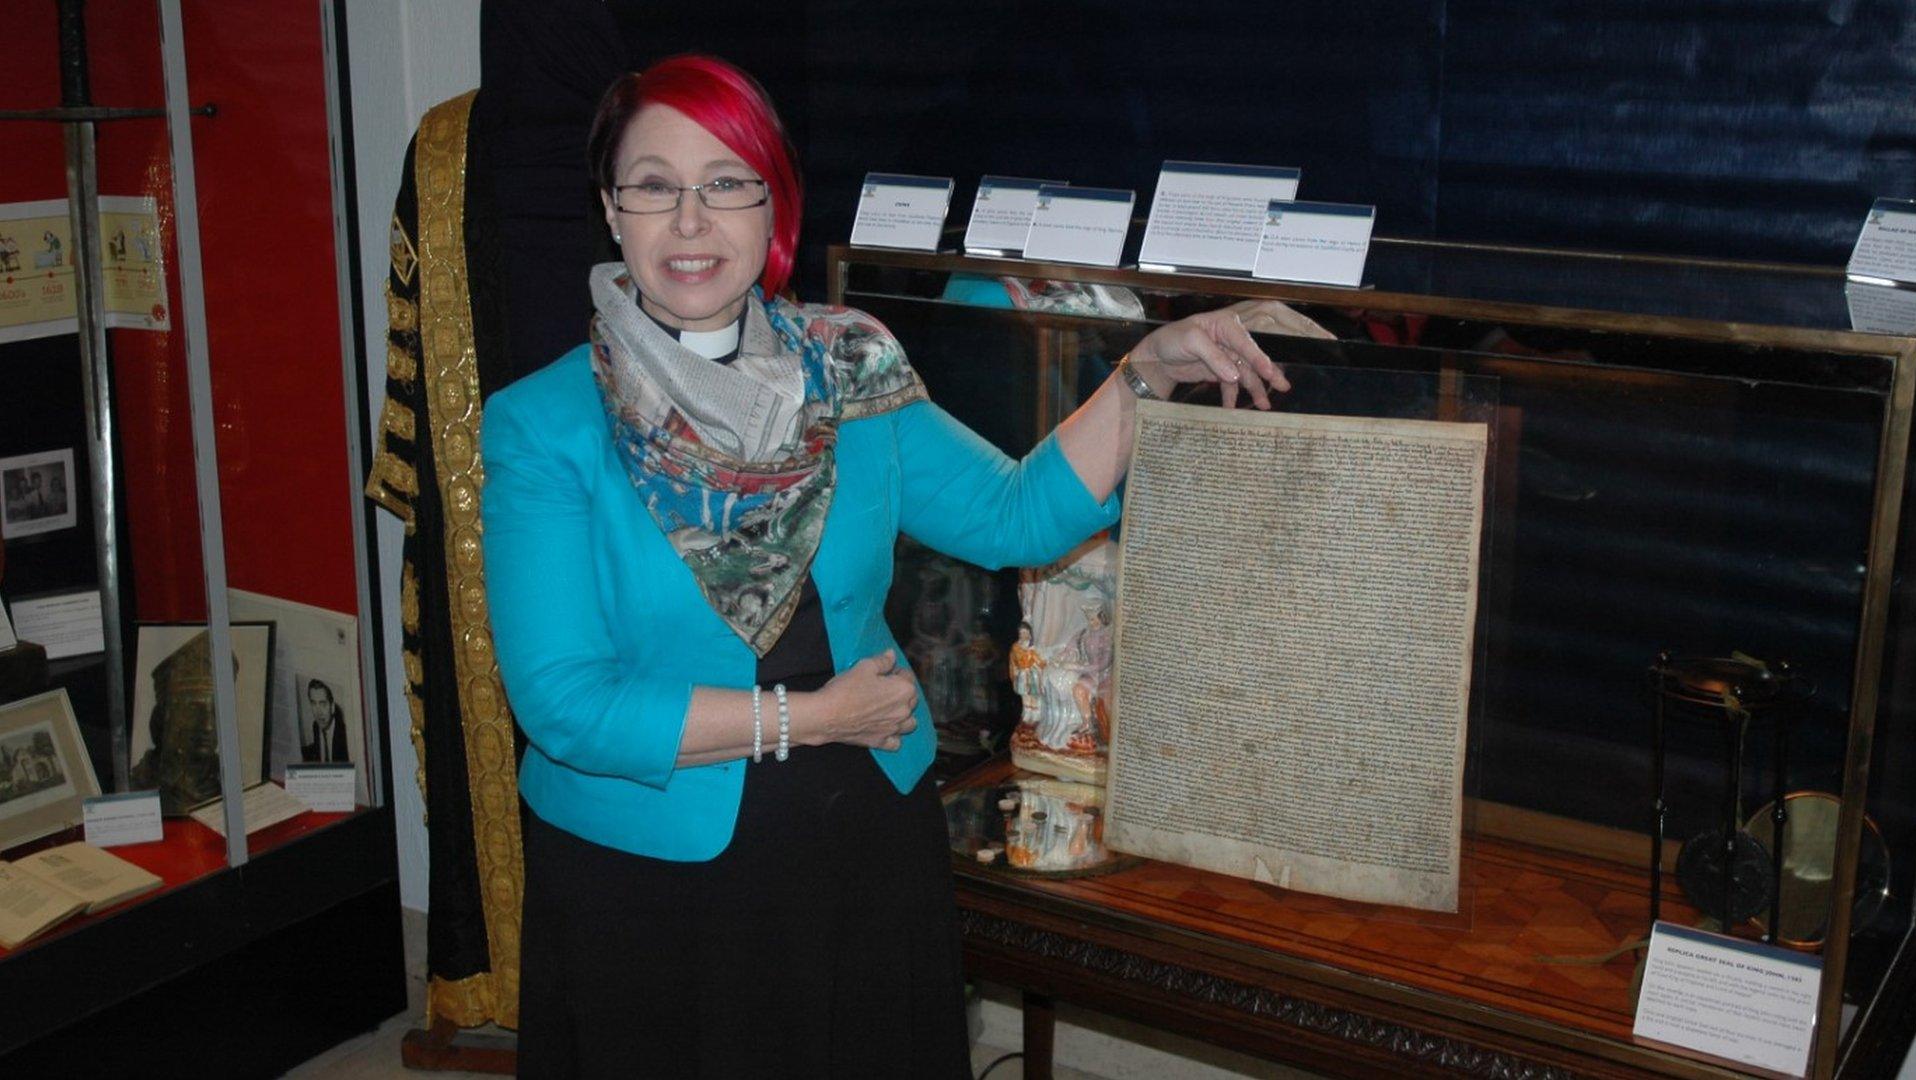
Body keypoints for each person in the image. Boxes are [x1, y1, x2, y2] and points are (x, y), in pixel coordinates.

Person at [480, 54, 1305, 1076]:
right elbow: (564, 703)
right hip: (652, 881)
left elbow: (1017, 515)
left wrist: (1143, 376)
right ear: (613, 212)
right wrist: (806, 719)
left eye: (727, 181)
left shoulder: (849, 364)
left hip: (861, 846)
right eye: (655, 186)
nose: (691, 221)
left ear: (770, 201)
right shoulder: (542, 425)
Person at [300, 679, 348, 763]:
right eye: (313, 703)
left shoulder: (345, 735)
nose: (318, 712)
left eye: (323, 704)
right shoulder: (315, 725)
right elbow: (317, 749)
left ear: (332, 707)